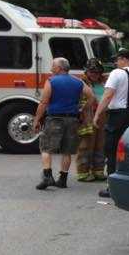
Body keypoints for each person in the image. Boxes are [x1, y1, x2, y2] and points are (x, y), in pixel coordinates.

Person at [93, 48, 129, 198]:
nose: (115, 62)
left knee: (112, 150)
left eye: (117, 59)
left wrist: (97, 114)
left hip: (118, 117)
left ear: (124, 60)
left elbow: (107, 96)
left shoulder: (116, 74)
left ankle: (112, 187)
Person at [33, 57, 95, 190]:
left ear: (59, 68)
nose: (51, 69)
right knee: (67, 151)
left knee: (46, 148)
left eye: (53, 66)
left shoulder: (51, 81)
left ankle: (47, 176)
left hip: (54, 119)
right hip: (72, 119)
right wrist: (82, 110)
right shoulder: (78, 82)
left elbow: (44, 102)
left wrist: (37, 119)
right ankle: (63, 179)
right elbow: (92, 97)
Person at [76, 58, 107, 182]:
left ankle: (98, 171)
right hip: (87, 116)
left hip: (102, 116)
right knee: (86, 144)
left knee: (101, 144)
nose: (94, 74)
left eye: (97, 72)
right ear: (86, 71)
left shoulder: (104, 82)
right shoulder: (80, 83)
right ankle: (83, 172)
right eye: (92, 72)